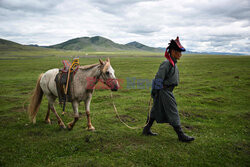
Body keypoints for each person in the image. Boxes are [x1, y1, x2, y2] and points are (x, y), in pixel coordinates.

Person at [142, 37, 195, 142]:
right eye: (179, 52)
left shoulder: (173, 63)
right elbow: (158, 78)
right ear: (173, 51)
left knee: (154, 111)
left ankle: (146, 130)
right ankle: (181, 135)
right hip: (164, 92)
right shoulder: (167, 64)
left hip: (166, 91)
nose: (181, 54)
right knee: (173, 111)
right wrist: (154, 92)